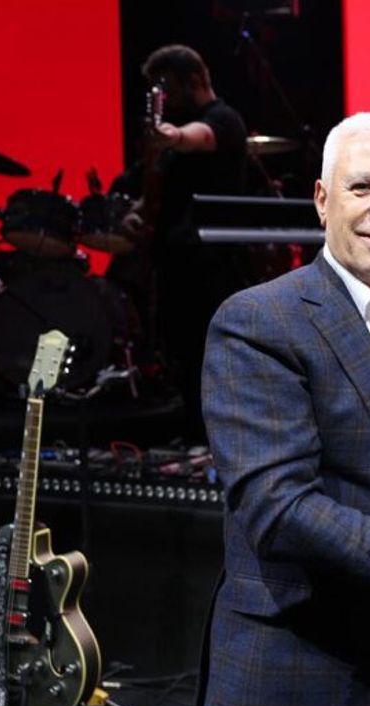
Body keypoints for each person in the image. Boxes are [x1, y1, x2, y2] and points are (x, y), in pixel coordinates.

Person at [199, 112, 370, 706]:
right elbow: (279, 508)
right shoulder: (260, 320)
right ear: (323, 200)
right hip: (299, 669)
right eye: (363, 186)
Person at [111, 44, 250, 441]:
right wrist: (137, 212)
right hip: (177, 261)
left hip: (212, 262)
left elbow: (197, 138)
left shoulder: (223, 119)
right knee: (183, 352)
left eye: (167, 87)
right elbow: (160, 191)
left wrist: (169, 134)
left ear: (194, 80)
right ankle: (193, 433)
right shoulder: (175, 140)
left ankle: (217, 438)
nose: (165, 97)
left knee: (209, 351)